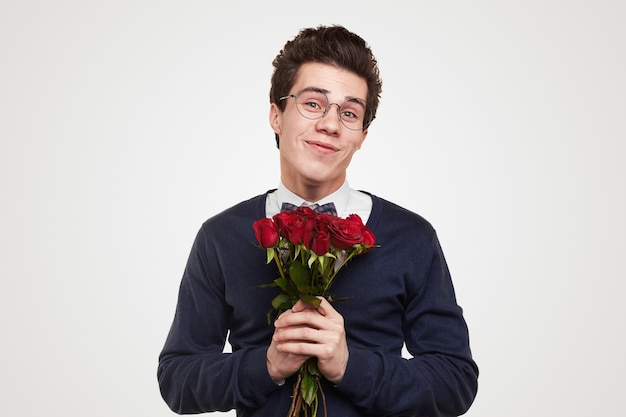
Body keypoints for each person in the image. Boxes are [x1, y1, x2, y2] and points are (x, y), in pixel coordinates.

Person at [157, 25, 478, 417]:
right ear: (276, 115)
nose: (330, 124)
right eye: (312, 103)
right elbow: (177, 380)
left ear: (361, 135)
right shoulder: (220, 236)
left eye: (349, 112)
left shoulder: (412, 237)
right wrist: (267, 365)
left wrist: (349, 366)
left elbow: (456, 381)